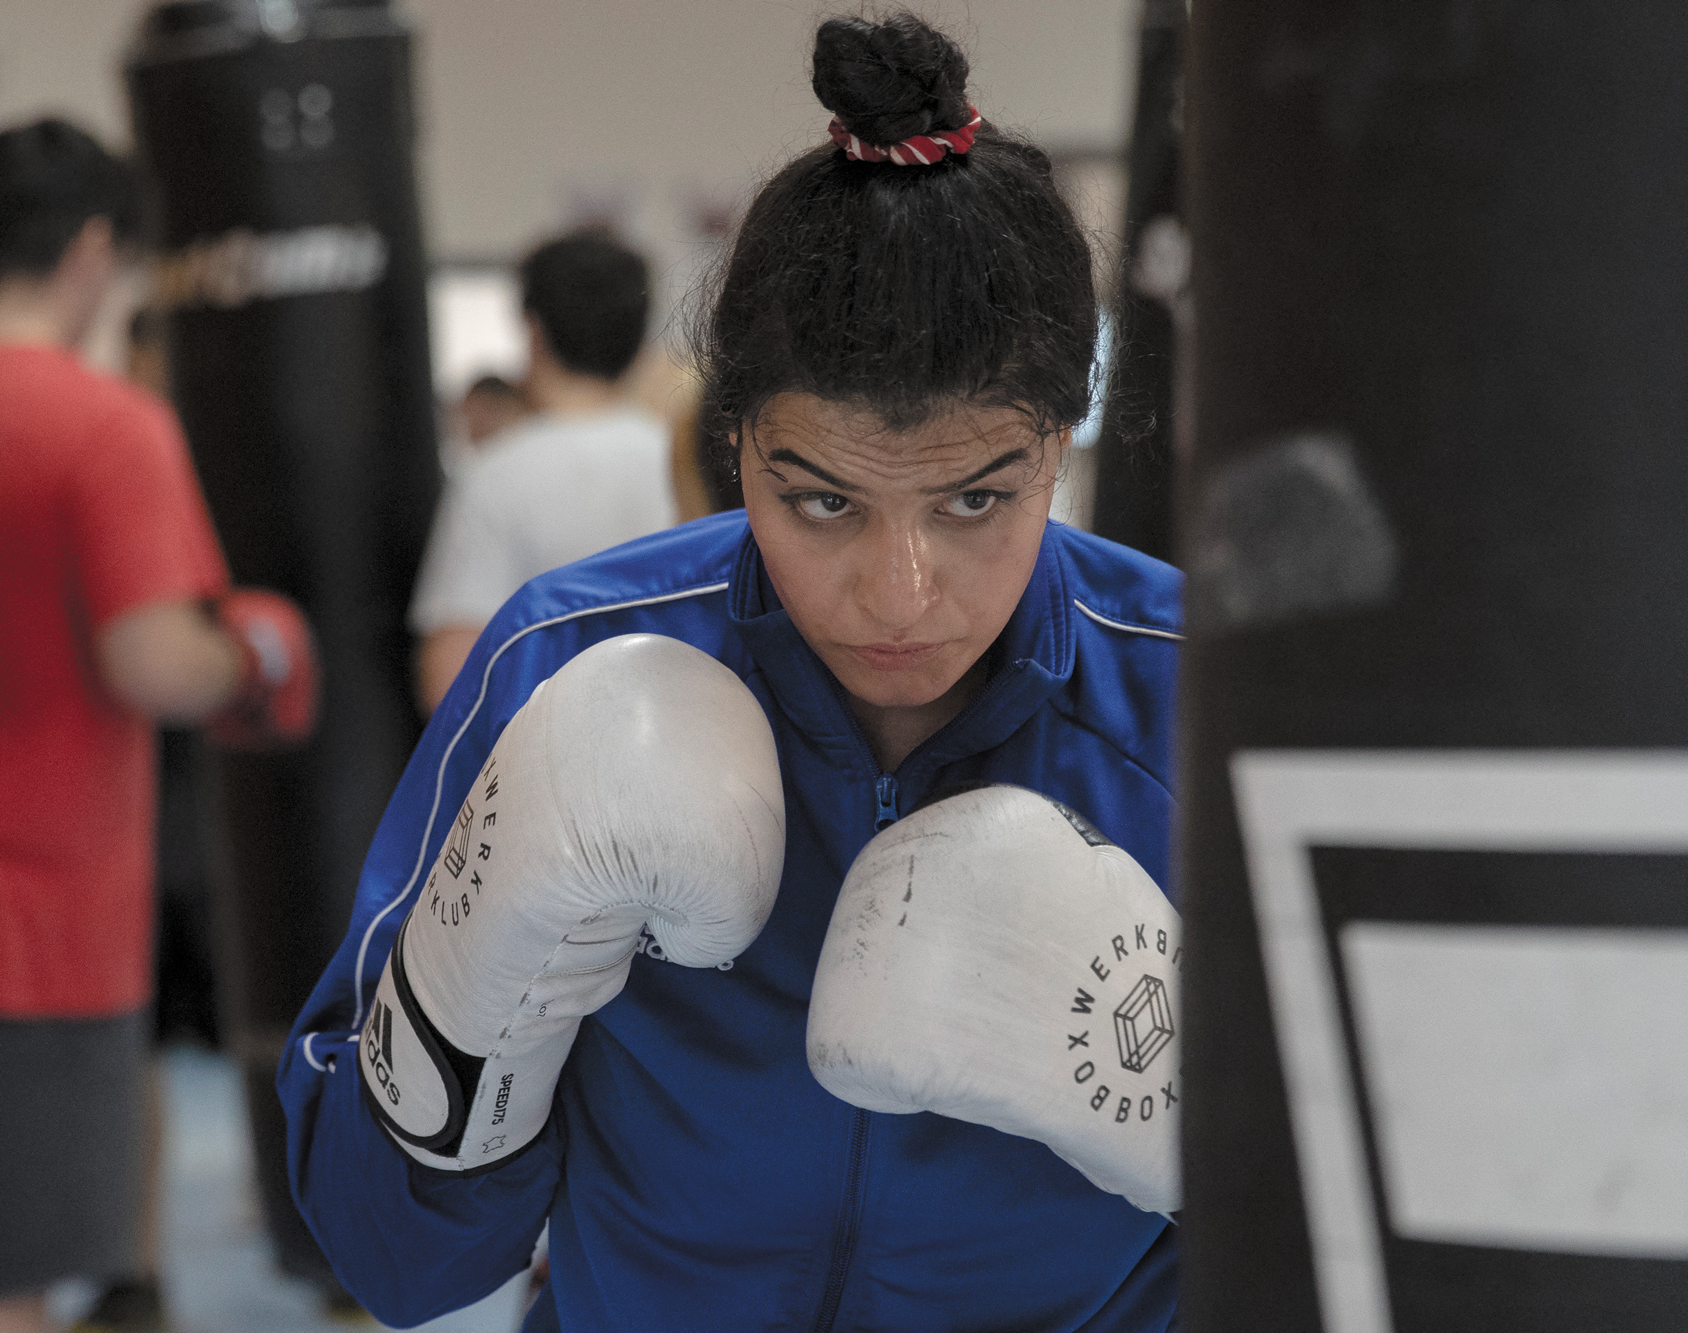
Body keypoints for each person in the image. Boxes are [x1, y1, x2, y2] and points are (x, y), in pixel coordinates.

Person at [280, 15, 1181, 1331]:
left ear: (1056, 446)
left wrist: (1196, 1108)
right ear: (738, 444)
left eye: (976, 499)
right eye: (820, 501)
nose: (898, 592)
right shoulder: (567, 653)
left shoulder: (1191, 699)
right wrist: (459, 1026)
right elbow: (388, 1260)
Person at [0, 118, 318, 1333]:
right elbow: (152, 663)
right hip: (36, 934)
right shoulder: (102, 424)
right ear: (94, 247)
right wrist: (255, 649)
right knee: (15, 1284)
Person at [409, 229, 674, 715]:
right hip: (679, 734)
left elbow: (449, 677)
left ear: (533, 332)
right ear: (640, 344)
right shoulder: (685, 462)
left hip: (548, 747)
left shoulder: (498, 475)